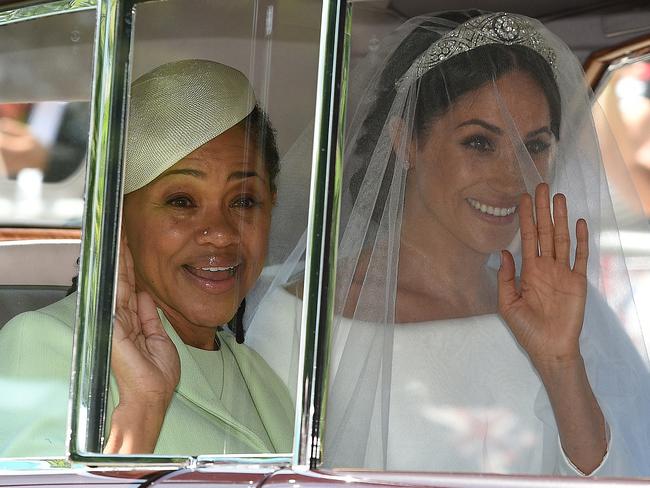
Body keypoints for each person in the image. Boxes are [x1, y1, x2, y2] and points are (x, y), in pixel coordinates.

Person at [249, 11, 650, 476]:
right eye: (480, 143)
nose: (513, 176)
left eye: (535, 146)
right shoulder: (301, 319)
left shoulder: (572, 311)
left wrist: (562, 364)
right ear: (405, 142)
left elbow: (627, 474)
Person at [0, 59, 293, 456]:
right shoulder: (49, 344)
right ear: (117, 219)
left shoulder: (264, 380)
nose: (222, 233)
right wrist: (142, 409)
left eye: (243, 201)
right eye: (181, 201)